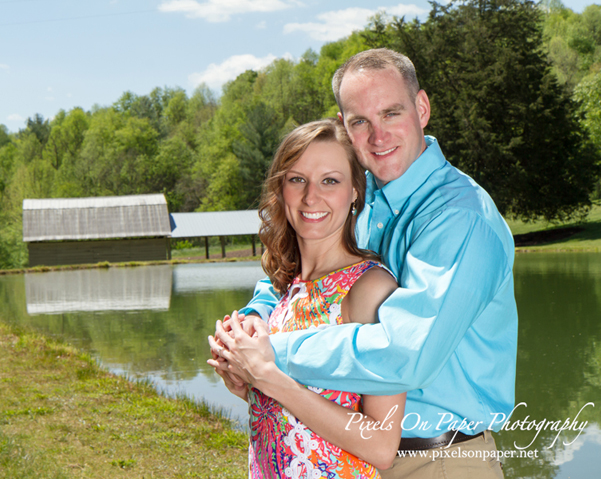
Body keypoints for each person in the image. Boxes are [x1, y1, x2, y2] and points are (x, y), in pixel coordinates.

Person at [212, 48, 517, 479]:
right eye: (360, 121)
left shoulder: (462, 218)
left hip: (438, 460)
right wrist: (246, 326)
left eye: (391, 113)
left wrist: (268, 356)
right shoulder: (356, 195)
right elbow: (299, 278)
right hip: (346, 453)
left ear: (422, 108)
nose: (378, 135)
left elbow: (406, 354)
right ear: (344, 127)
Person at [209, 118, 407, 478]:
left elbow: (381, 445)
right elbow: (294, 412)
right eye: (297, 179)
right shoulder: (287, 290)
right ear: (280, 189)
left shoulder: (370, 290)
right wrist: (245, 381)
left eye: (330, 181)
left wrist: (267, 377)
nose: (311, 196)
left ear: (355, 193)